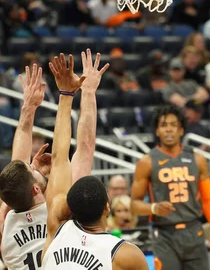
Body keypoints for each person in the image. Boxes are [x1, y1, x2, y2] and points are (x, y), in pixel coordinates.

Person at [0, 50, 107, 269]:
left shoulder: (6, 221)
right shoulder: (59, 210)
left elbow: (17, 164)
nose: (33, 166)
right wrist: (85, 92)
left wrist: (28, 107)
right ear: (35, 190)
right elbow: (81, 150)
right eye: (33, 171)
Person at [40, 53, 148, 270]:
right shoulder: (125, 254)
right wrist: (87, 92)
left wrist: (66, 94)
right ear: (107, 207)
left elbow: (60, 158)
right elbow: (84, 150)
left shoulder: (57, 229)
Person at [131, 105, 210, 270]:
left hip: (194, 230)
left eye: (174, 125)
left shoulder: (198, 159)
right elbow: (134, 205)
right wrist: (154, 208)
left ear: (181, 130)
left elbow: (208, 199)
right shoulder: (147, 162)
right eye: (164, 125)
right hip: (164, 234)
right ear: (157, 131)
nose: (169, 130)